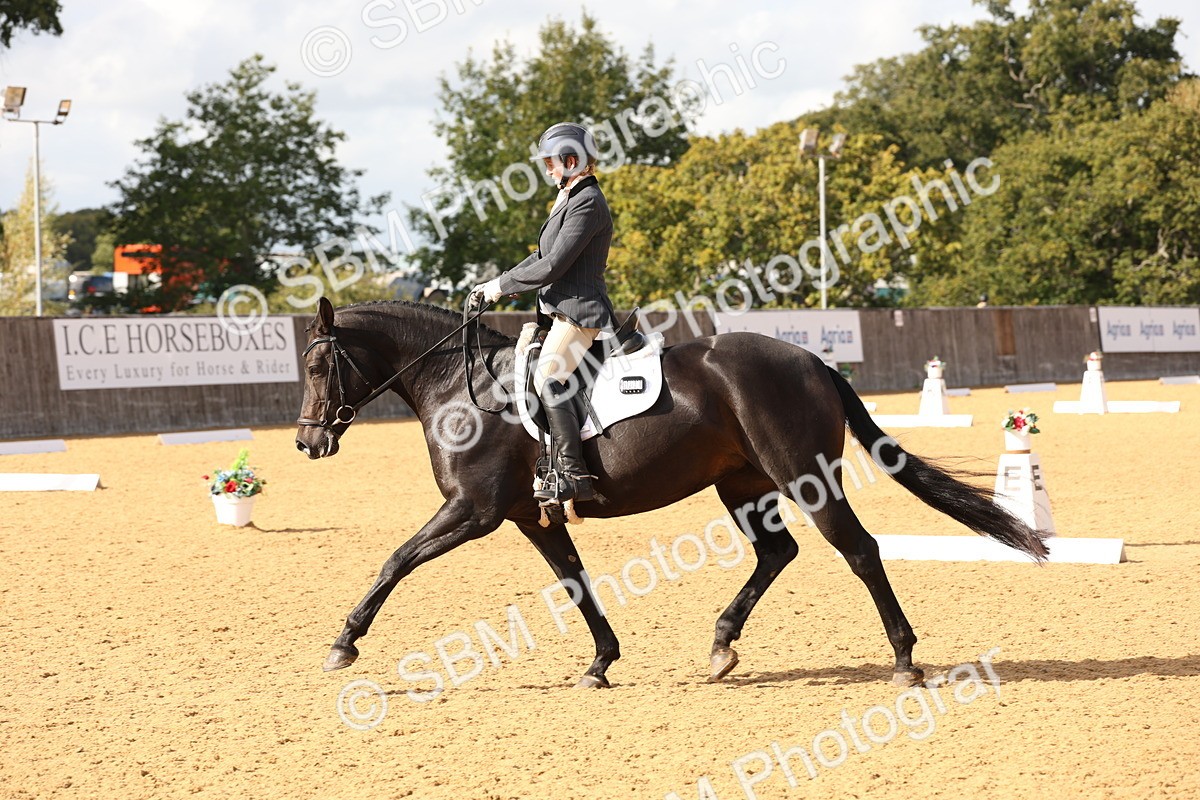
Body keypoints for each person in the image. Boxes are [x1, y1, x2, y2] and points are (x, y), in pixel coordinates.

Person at [470, 122, 617, 504]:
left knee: (551, 375)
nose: (547, 170)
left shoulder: (587, 201)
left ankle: (573, 474)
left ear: (572, 160)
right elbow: (540, 256)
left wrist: (501, 288)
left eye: (551, 162)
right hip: (557, 312)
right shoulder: (569, 197)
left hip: (579, 313)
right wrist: (497, 282)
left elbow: (553, 265)